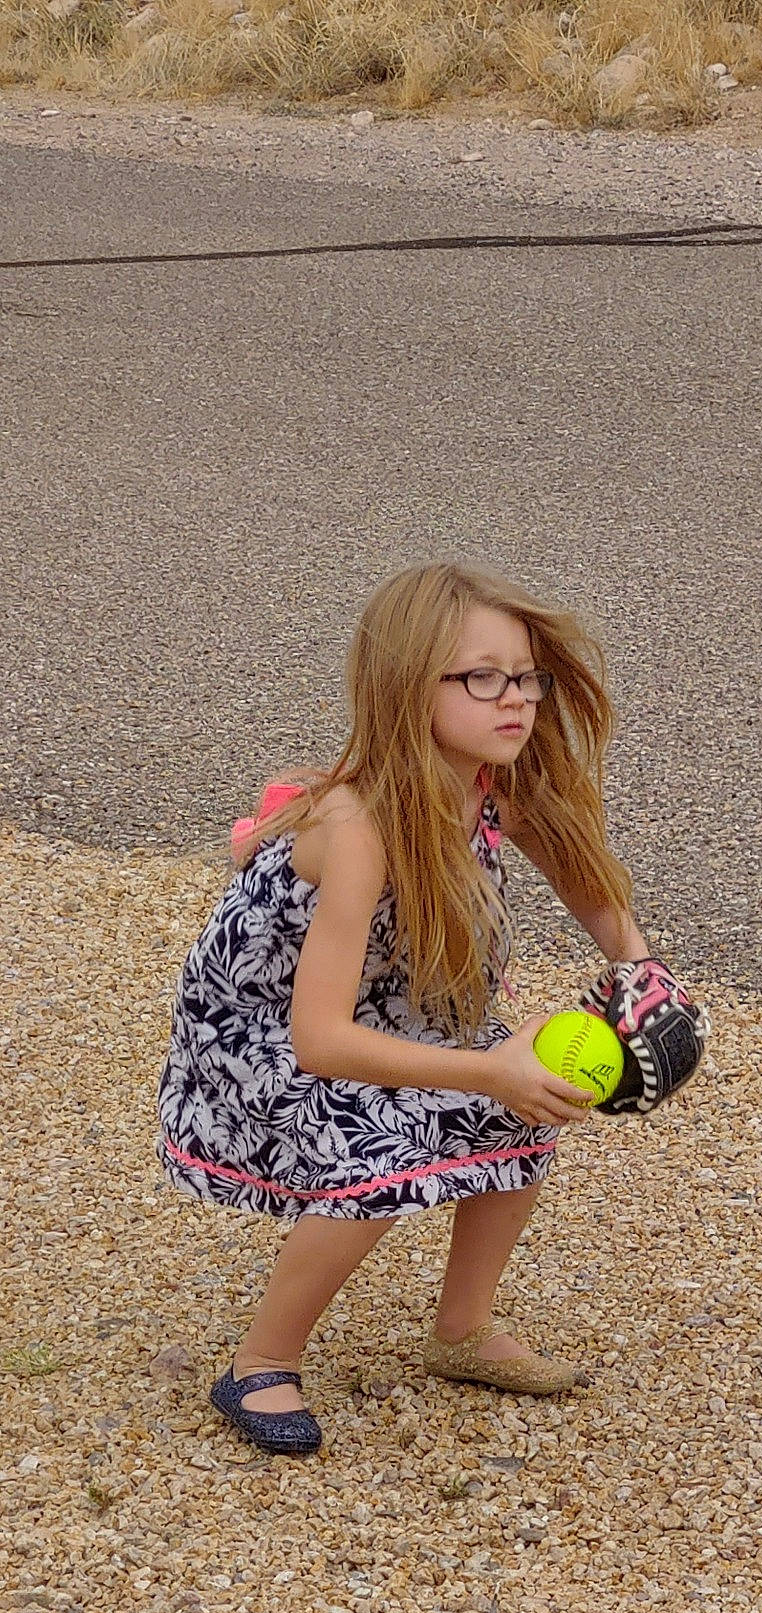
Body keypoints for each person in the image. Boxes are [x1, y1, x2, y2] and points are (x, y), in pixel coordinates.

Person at [157, 560, 691, 1456]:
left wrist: (640, 968)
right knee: (385, 1143)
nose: (515, 698)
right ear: (410, 686)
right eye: (482, 678)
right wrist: (488, 1068)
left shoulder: (491, 783)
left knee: (530, 1103)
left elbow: (583, 877)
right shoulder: (358, 827)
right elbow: (320, 1040)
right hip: (257, 1039)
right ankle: (261, 1361)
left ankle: (461, 1330)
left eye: (526, 677)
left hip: (389, 1008)